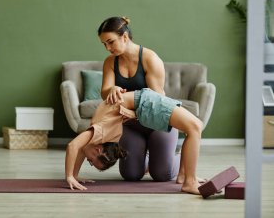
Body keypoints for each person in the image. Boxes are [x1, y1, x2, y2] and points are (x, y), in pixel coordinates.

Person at [65, 88, 203, 194]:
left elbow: (73, 146)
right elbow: (82, 150)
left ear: (97, 150)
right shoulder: (100, 137)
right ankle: (184, 176)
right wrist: (75, 175)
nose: (87, 160)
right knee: (195, 128)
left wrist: (69, 176)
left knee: (195, 127)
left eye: (90, 161)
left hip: (145, 101)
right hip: (142, 105)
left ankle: (188, 180)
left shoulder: (100, 131)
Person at [98, 16, 180, 182]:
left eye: (110, 42)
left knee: (162, 175)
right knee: (131, 175)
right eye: (104, 44)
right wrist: (111, 89)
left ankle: (177, 158)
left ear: (125, 37)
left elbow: (156, 101)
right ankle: (148, 157)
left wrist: (128, 110)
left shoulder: (150, 59)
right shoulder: (109, 63)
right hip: (131, 125)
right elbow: (105, 92)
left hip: (157, 122)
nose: (107, 48)